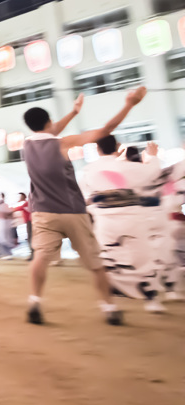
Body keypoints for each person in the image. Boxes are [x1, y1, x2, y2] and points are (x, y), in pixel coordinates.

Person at [21, 88, 146, 326]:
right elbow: (104, 131)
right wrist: (130, 104)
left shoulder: (26, 146)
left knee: (40, 257)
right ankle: (109, 308)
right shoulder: (62, 144)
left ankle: (34, 302)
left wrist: (74, 113)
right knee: (95, 263)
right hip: (72, 211)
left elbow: (49, 132)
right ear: (48, 121)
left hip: (42, 212)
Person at [81, 137, 166, 312]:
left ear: (97, 149)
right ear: (119, 148)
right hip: (132, 219)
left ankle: (110, 303)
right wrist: (153, 156)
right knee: (143, 258)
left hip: (105, 222)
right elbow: (153, 172)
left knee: (108, 259)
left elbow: (85, 197)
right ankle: (152, 300)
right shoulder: (129, 167)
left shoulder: (89, 170)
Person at [13, 193, 32, 258]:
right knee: (30, 237)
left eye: (20, 197)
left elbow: (16, 208)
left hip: (30, 221)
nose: (19, 198)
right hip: (29, 221)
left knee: (31, 237)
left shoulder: (26, 203)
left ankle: (33, 254)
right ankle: (32, 253)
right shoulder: (27, 203)